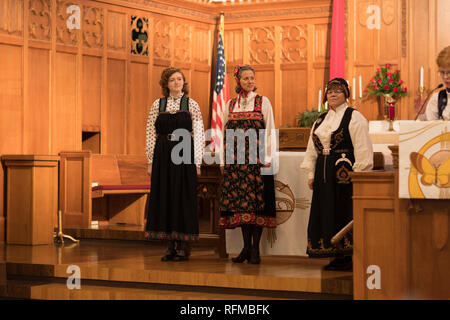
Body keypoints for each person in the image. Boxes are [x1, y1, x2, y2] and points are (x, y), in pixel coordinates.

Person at [300, 78, 373, 271]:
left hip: (344, 174)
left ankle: (347, 256)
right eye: (330, 91)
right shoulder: (321, 119)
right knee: (326, 211)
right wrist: (310, 173)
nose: (333, 94)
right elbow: (311, 149)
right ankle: (333, 252)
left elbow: (363, 148)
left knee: (343, 210)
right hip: (323, 173)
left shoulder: (354, 117)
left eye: (338, 91)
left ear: (346, 94)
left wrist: (359, 175)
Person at [145, 67, 205, 261]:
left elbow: (199, 133)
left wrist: (197, 161)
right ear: (166, 83)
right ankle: (170, 244)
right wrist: (150, 161)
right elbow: (150, 133)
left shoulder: (191, 104)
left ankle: (183, 245)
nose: (177, 82)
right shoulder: (158, 104)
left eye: (180, 79)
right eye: (172, 80)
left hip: (184, 152)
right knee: (166, 197)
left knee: (182, 197)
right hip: (162, 153)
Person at [218, 65, 276, 264]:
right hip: (236, 162)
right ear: (238, 81)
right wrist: (223, 160)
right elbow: (223, 133)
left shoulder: (262, 102)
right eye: (246, 78)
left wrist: (268, 158)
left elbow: (270, 130)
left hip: (256, 160)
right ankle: (246, 247)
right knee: (242, 206)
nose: (250, 81)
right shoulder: (231, 104)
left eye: (252, 78)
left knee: (256, 205)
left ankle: (256, 250)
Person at [416, 46, 450, 120]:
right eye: (442, 72)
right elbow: (431, 126)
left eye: (448, 72)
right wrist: (422, 113)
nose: (445, 77)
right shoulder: (437, 98)